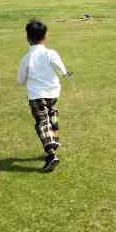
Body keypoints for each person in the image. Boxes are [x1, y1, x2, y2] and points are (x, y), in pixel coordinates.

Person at [17, 19, 69, 172]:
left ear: (28, 38)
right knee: (52, 115)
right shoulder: (50, 53)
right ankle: (53, 140)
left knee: (42, 122)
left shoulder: (26, 58)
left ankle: (51, 154)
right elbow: (60, 68)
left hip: (36, 95)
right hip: (53, 92)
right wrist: (65, 73)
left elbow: (20, 80)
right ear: (45, 36)